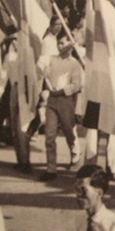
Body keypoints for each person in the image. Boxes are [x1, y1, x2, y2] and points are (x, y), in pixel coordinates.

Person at [39, 31, 83, 181]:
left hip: (66, 101)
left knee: (69, 131)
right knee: (50, 135)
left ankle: (76, 156)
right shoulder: (51, 60)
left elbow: (77, 85)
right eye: (59, 43)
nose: (61, 46)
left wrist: (63, 91)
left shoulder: (75, 64)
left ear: (71, 45)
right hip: (52, 101)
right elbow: (42, 69)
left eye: (64, 43)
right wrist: (43, 72)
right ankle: (51, 168)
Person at [0, 34, 32, 173]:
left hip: (25, 90)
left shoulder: (27, 57)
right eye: (13, 40)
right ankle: (20, 160)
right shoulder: (9, 57)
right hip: (14, 90)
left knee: (22, 127)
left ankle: (26, 161)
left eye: (18, 39)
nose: (15, 42)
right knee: (14, 128)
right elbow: (3, 75)